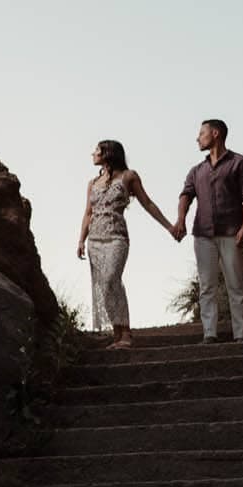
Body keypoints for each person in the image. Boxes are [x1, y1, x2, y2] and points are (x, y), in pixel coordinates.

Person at [73, 139, 174, 348]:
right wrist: (81, 240)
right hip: (95, 240)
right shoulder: (92, 183)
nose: (92, 154)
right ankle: (117, 334)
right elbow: (88, 213)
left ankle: (126, 332)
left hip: (117, 238)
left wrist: (169, 226)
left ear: (107, 153)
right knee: (104, 286)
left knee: (112, 279)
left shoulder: (129, 177)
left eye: (96, 150)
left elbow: (147, 203)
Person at [170, 118, 243, 342]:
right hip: (203, 234)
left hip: (232, 232)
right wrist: (181, 220)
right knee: (207, 286)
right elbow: (186, 196)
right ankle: (209, 334)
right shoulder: (197, 170)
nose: (197, 138)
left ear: (215, 134)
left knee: (236, 286)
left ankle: (241, 335)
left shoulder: (240, 163)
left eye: (201, 133)